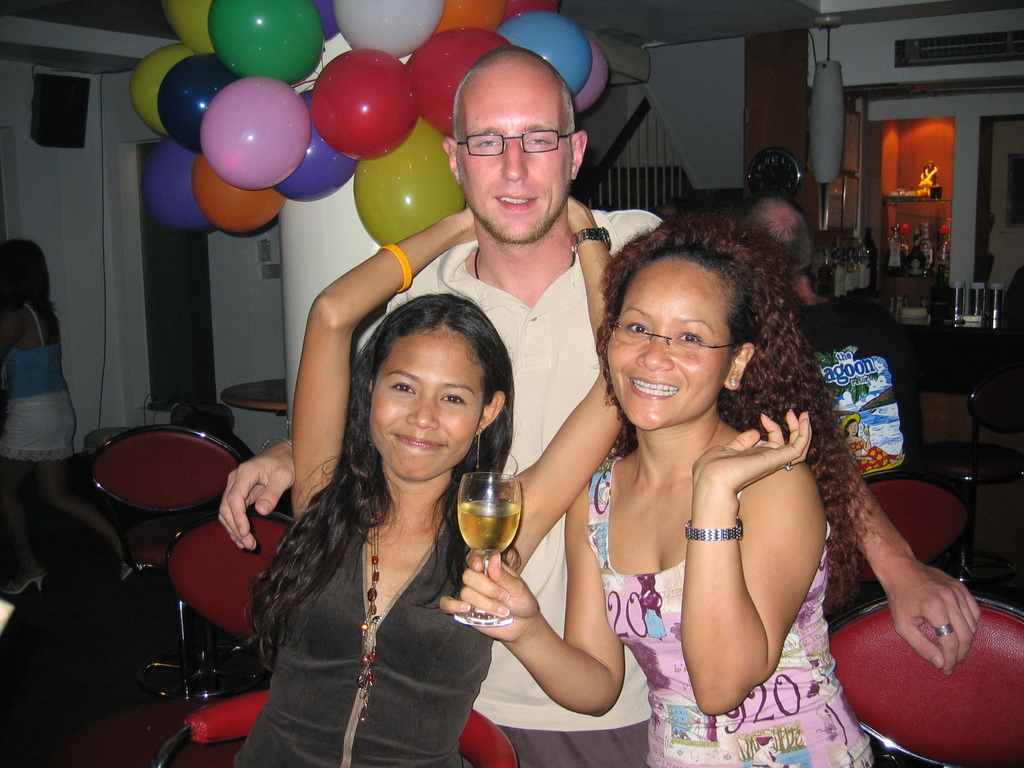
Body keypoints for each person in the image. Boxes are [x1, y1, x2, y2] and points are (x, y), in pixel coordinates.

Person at [221, 46, 978, 765]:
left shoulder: (651, 262)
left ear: (576, 151)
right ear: (454, 160)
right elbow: (377, 418)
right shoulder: (423, 300)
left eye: (537, 139)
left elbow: (788, 419)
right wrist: (291, 452)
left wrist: (898, 564)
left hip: (616, 693)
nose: (514, 167)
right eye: (487, 142)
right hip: (446, 685)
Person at [446, 214, 873, 767]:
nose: (652, 357)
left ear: (737, 362)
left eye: (690, 337)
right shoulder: (597, 500)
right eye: (637, 328)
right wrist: (524, 629)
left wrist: (713, 494)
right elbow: (598, 685)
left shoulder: (773, 484)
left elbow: (719, 686)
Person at [235, 208, 621, 767]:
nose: (423, 417)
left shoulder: (497, 526)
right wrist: (464, 224)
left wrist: (589, 239)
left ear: (488, 412)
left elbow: (619, 382)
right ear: (371, 389)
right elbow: (331, 312)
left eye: (453, 397)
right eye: (403, 387)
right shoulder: (322, 494)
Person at [739, 194, 925, 476]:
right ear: (808, 250)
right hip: (910, 489)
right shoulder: (877, 320)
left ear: (746, 256)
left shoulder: (762, 337)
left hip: (833, 499)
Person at [0, 239, 129, 594]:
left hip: (31, 414)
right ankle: (123, 549)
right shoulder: (41, 314)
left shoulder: (16, 315)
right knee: (56, 494)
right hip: (56, 409)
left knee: (4, 491)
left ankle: (28, 567)